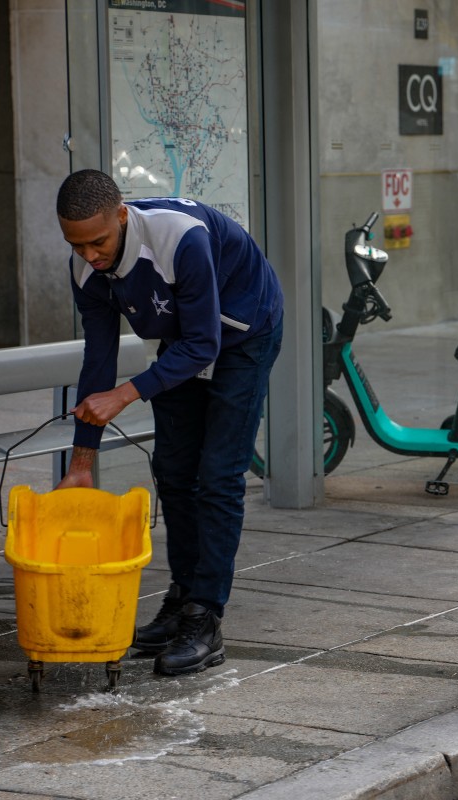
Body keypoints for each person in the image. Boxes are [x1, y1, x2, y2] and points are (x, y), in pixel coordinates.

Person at [55, 169, 283, 675]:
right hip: (183, 340)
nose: (90, 255)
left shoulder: (180, 237)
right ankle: (182, 596)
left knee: (219, 476)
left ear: (122, 215)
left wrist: (128, 393)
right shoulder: (85, 268)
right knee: (174, 470)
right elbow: (98, 360)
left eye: (98, 242)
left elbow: (207, 343)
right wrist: (83, 460)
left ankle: (206, 618)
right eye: (77, 245)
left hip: (245, 332)